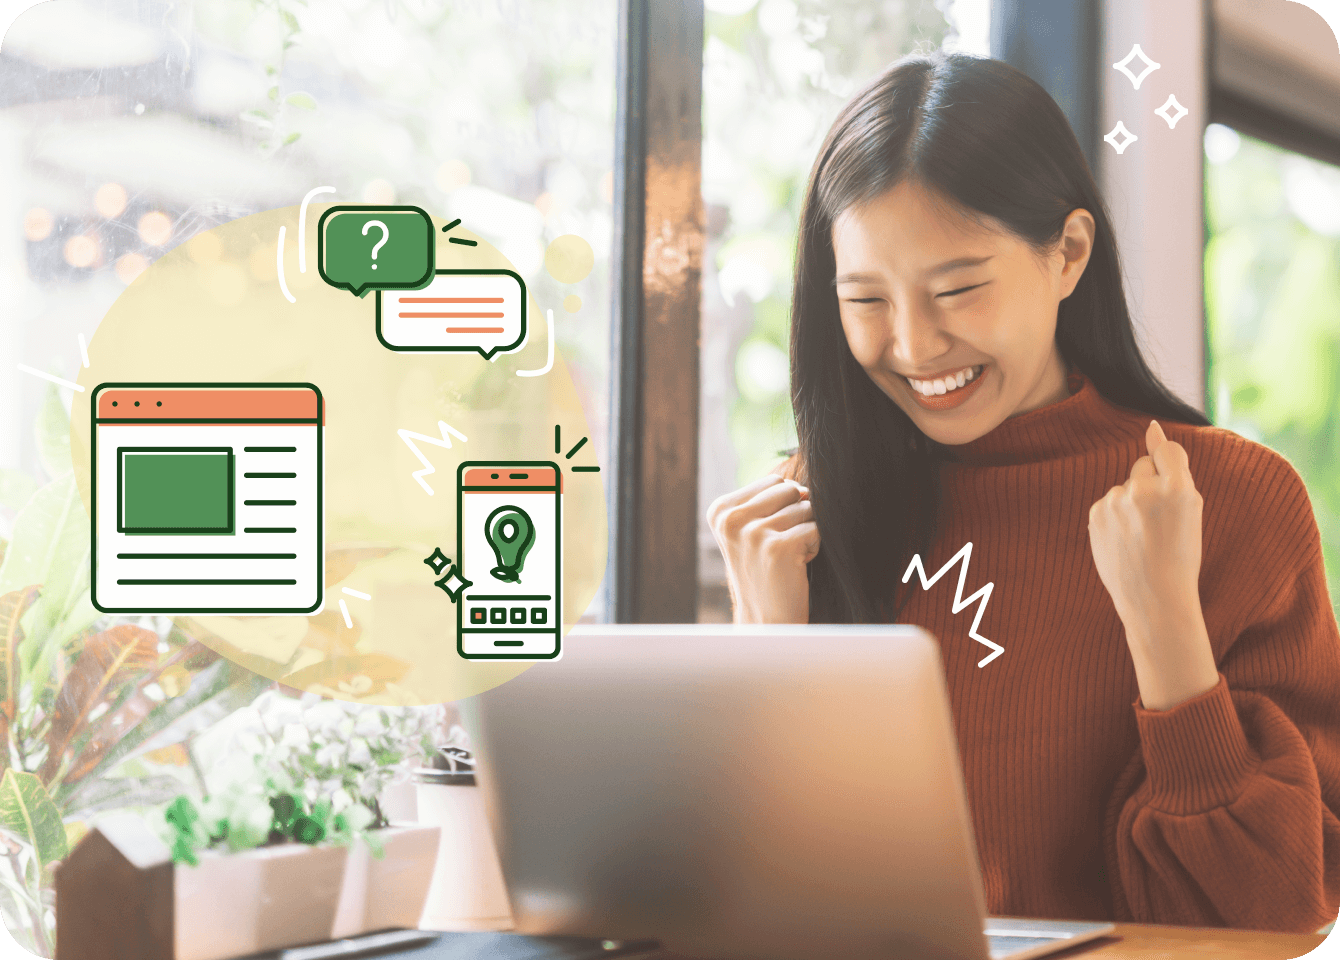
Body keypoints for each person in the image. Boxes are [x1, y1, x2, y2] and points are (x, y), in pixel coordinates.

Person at [707, 51, 1340, 934]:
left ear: (1069, 253)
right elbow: (763, 919)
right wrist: (764, 662)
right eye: (866, 300)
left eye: (958, 288)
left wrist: (1165, 630)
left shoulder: (1230, 502)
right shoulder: (805, 519)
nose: (915, 345)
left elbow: (1271, 918)